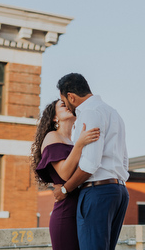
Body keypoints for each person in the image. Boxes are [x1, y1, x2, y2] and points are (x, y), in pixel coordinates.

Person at [53, 73, 129, 250]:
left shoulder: (89, 113)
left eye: (64, 101)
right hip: (119, 191)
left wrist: (65, 189)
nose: (66, 105)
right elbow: (124, 161)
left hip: (97, 192)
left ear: (71, 96)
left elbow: (90, 165)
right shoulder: (113, 112)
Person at [31, 100, 101, 250]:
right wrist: (80, 145)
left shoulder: (73, 140)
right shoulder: (52, 136)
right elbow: (64, 173)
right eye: (63, 106)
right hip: (66, 213)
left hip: (82, 210)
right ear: (54, 118)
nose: (68, 106)